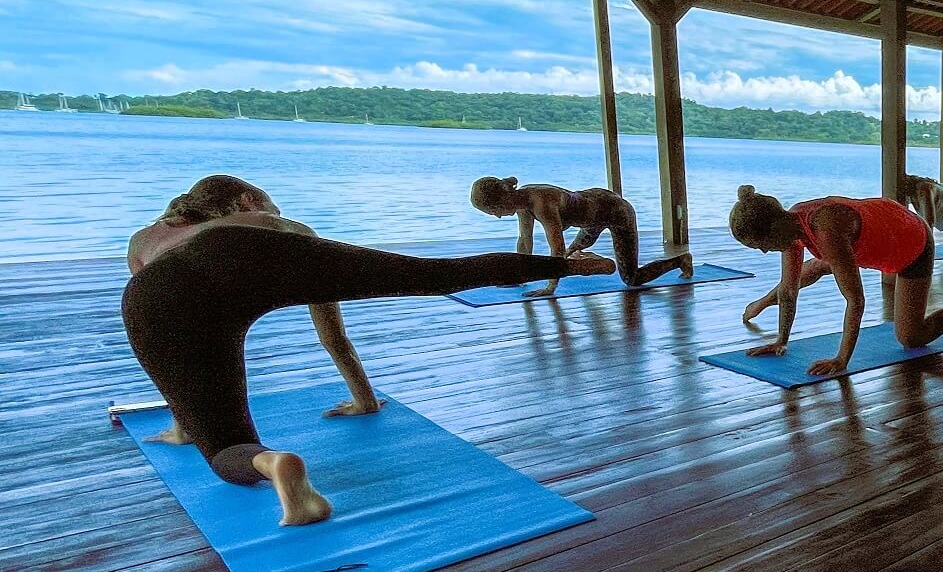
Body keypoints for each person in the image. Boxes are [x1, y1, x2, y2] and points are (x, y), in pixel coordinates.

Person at [124, 175, 612, 527]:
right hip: (246, 255)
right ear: (250, 199)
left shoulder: (146, 239)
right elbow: (332, 333)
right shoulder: (267, 226)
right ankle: (571, 267)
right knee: (436, 274)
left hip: (154, 296)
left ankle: (271, 465)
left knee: (226, 447)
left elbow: (169, 348)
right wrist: (364, 399)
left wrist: (185, 422)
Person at [729, 185, 943, 376]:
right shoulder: (791, 224)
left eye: (760, 245)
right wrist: (780, 341)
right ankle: (763, 302)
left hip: (911, 242)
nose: (763, 252)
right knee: (816, 267)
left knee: (911, 338)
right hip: (882, 231)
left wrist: (841, 359)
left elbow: (856, 300)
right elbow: (788, 290)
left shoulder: (827, 230)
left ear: (773, 229)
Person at [469, 176, 693, 297]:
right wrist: (519, 276)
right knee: (571, 252)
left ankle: (681, 260)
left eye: (494, 211)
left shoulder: (541, 203)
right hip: (592, 213)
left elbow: (556, 248)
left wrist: (550, 288)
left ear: (503, 200)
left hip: (617, 213)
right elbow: (525, 241)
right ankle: (586, 255)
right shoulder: (522, 204)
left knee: (631, 279)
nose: (497, 217)